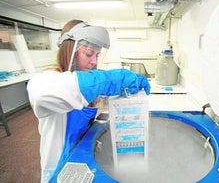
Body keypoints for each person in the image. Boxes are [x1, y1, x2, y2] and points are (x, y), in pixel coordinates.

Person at [27, 19, 150, 183]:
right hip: (57, 167)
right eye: (89, 53)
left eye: (97, 55)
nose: (94, 61)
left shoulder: (91, 82)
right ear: (69, 50)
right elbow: (43, 94)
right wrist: (113, 79)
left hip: (82, 160)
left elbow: (103, 96)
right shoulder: (47, 79)